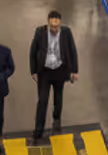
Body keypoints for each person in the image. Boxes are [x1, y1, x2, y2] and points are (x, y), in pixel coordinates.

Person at [28, 11, 78, 143]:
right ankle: (38, 131)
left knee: (58, 97)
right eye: (52, 26)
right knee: (42, 100)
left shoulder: (66, 32)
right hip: (44, 72)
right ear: (48, 23)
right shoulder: (40, 32)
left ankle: (56, 119)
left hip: (60, 71)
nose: (54, 29)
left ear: (60, 23)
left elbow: (72, 50)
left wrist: (74, 70)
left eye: (57, 26)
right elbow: (32, 52)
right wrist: (33, 71)